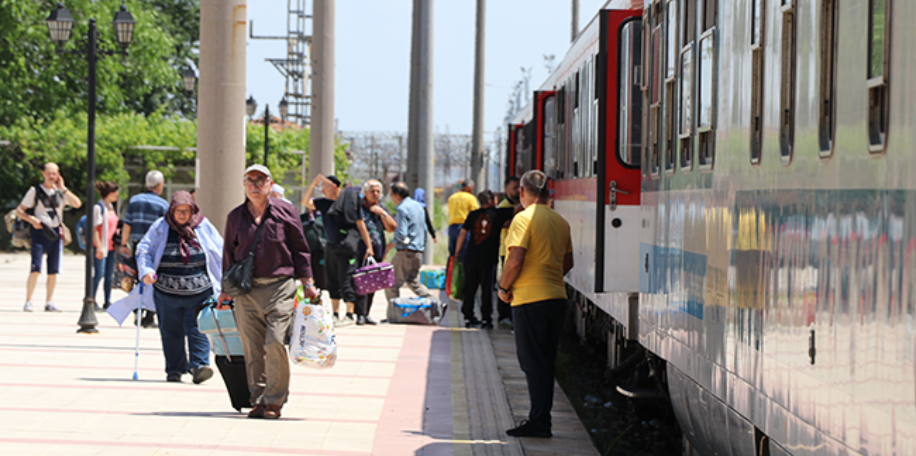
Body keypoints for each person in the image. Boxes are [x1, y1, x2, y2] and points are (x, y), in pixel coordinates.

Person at [221, 165, 318, 420]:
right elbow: (228, 256)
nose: (254, 185)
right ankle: (258, 399)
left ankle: (275, 399)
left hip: (281, 287)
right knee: (252, 347)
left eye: (260, 181)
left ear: (270, 184)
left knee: (274, 341)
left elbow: (301, 248)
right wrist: (225, 291)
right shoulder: (235, 217)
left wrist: (307, 282)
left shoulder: (286, 211)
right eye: (249, 180)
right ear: (244, 185)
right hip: (246, 290)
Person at [498, 170, 574, 439]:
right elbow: (568, 262)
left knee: (532, 363)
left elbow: (515, 259)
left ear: (522, 191)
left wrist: (504, 288)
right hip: (556, 298)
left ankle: (540, 421)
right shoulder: (560, 221)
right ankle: (540, 418)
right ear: (548, 192)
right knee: (546, 362)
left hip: (530, 300)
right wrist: (549, 278)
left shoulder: (523, 218)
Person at [137, 191, 223, 384]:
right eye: (178, 211)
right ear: (171, 210)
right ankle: (174, 369)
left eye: (186, 211)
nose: (183, 215)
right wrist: (146, 271)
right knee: (170, 330)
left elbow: (220, 249)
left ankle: (199, 366)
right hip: (166, 291)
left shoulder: (204, 225)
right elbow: (144, 249)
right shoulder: (160, 226)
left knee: (198, 328)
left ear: (193, 210)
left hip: (199, 291)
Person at [302, 174, 371, 327]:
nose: (322, 190)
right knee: (332, 280)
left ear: (334, 186)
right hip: (331, 246)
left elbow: (360, 224)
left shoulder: (350, 201)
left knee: (347, 279)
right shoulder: (324, 204)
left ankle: (349, 314)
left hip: (348, 247)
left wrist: (368, 246)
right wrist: (313, 185)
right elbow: (305, 202)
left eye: (324, 186)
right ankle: (334, 313)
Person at [16, 162, 82, 312]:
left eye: (55, 173)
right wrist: (32, 219)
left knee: (53, 270)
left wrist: (63, 188)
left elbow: (77, 203)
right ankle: (29, 300)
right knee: (35, 268)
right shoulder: (35, 191)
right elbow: (20, 210)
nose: (52, 176)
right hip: (39, 232)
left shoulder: (60, 193)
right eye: (49, 173)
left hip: (55, 233)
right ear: (43, 174)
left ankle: (49, 301)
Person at [455, 190, 516, 329]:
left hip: (471, 257)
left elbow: (462, 233)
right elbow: (518, 208)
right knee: (486, 289)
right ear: (490, 201)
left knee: (470, 287)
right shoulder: (498, 214)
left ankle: (468, 316)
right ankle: (486, 319)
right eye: (494, 199)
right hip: (488, 259)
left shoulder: (473, 215)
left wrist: (458, 251)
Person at [121, 170, 169, 327]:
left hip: (137, 246)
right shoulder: (163, 205)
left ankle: (137, 311)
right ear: (160, 185)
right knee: (153, 281)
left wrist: (123, 244)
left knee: (138, 279)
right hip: (155, 248)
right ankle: (149, 315)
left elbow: (127, 224)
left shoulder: (135, 200)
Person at [355, 180, 397, 325]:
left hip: (377, 251)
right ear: (365, 192)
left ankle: (366, 313)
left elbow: (392, 228)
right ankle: (359, 314)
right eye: (372, 191)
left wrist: (383, 214)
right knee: (361, 282)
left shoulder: (380, 208)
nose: (376, 194)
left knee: (372, 283)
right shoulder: (359, 207)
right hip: (361, 250)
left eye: (378, 191)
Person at [384, 182, 434, 304]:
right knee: (413, 282)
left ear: (397, 195)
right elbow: (424, 229)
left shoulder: (402, 208)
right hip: (418, 252)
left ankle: (394, 312)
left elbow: (401, 234)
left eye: (391, 195)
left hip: (405, 252)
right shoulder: (418, 206)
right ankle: (435, 303)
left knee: (391, 283)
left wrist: (389, 246)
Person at [496, 176, 521, 327]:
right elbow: (503, 224)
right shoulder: (504, 206)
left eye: (519, 187)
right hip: (506, 250)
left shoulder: (516, 205)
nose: (517, 190)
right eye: (514, 188)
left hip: (514, 249)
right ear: (506, 190)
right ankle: (503, 315)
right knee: (506, 283)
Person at [92, 181, 120, 311]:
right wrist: (98, 246)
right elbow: (95, 229)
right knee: (99, 274)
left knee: (109, 275)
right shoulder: (99, 208)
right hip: (101, 246)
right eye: (115, 192)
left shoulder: (111, 207)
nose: (117, 195)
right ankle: (91, 299)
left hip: (111, 246)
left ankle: (107, 300)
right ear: (109, 193)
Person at [447, 180, 478, 259]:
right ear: (468, 187)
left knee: (452, 254)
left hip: (452, 227)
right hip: (464, 229)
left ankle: (451, 270)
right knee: (465, 252)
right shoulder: (471, 198)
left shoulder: (452, 197)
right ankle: (465, 271)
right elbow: (475, 214)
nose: (472, 191)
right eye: (472, 188)